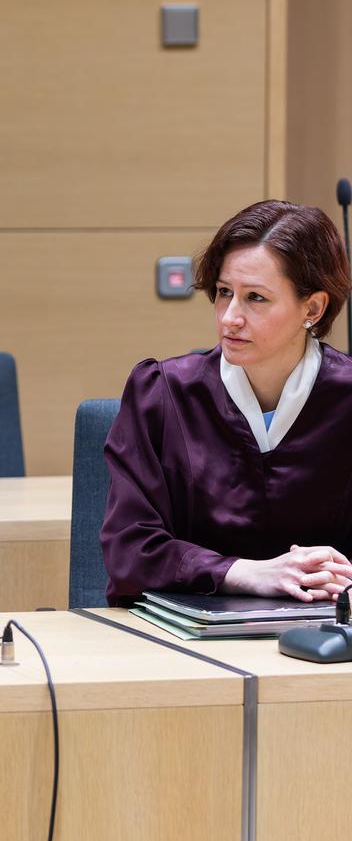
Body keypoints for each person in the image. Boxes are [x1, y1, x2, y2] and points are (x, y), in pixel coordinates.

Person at [102, 200, 352, 604]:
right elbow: (129, 550)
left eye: (256, 297)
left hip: (329, 633)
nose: (229, 317)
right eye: (223, 293)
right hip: (183, 641)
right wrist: (246, 573)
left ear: (313, 307)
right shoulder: (163, 394)